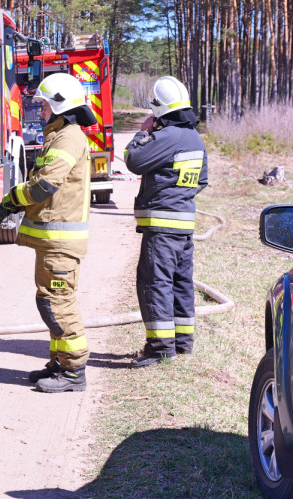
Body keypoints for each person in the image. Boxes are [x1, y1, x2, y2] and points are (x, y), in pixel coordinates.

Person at [0, 73, 94, 393]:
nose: (42, 111)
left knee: (58, 303)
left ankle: (74, 371)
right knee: (49, 300)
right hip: (53, 243)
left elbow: (45, 185)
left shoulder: (69, 138)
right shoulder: (61, 135)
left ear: (60, 107)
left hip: (60, 243)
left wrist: (9, 202)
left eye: (46, 106)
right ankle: (60, 363)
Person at [123, 75, 207, 367]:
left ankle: (159, 348)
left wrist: (141, 133)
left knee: (155, 282)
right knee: (181, 282)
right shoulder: (194, 137)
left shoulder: (166, 136)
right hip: (184, 226)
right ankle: (182, 343)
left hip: (162, 227)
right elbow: (202, 179)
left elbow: (133, 159)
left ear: (158, 108)